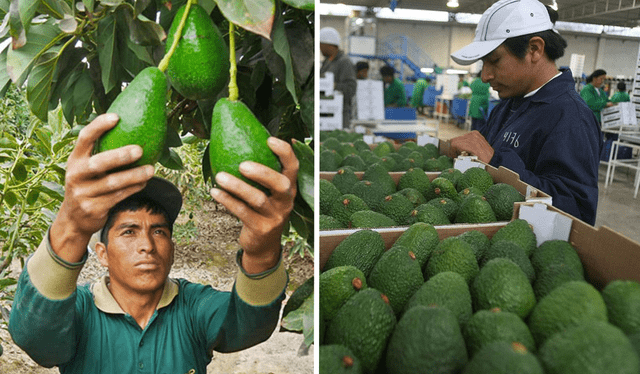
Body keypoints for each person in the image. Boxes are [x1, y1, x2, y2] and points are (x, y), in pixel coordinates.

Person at [8, 113, 299, 373]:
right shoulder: (80, 311)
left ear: (172, 249)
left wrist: (261, 251)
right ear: (102, 253)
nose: (147, 244)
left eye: (159, 231)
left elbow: (249, 325)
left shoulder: (192, 306)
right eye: (129, 231)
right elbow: (35, 338)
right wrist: (69, 228)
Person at [449, 0, 603, 225]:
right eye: (484, 63)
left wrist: (496, 161)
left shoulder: (570, 118)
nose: (485, 76)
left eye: (494, 60)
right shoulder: (508, 105)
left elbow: (576, 213)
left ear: (534, 49)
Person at [320, 27, 357, 128]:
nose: (319, 48)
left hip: (338, 116)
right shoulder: (326, 62)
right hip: (324, 114)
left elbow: (351, 88)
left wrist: (333, 85)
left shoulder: (344, 62)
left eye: (321, 45)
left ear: (330, 46)